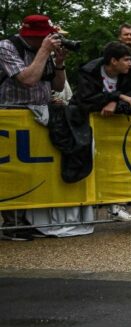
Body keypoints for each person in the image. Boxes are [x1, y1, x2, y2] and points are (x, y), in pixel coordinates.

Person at [0, 14, 69, 241]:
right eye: (45, 36)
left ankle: (26, 220)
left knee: (34, 171)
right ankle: (11, 223)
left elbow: (57, 85)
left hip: (40, 116)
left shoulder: (45, 50)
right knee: (11, 172)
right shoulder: (7, 47)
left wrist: (59, 63)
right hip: (11, 118)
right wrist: (44, 52)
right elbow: (27, 79)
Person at [71, 41, 131, 222]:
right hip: (84, 125)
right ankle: (83, 209)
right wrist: (116, 95)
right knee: (89, 163)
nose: (130, 63)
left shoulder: (130, 73)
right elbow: (85, 100)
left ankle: (117, 205)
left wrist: (115, 102)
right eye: (126, 59)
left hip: (115, 129)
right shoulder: (89, 71)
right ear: (113, 61)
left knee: (116, 167)